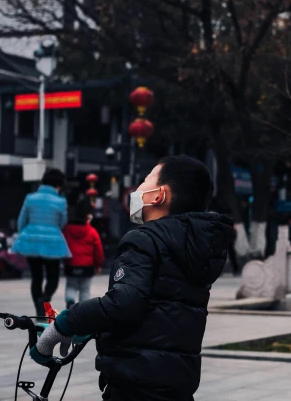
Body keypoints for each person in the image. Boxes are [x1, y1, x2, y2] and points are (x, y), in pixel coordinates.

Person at [30, 155, 233, 401]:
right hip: (175, 383)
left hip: (135, 383)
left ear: (159, 195)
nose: (137, 189)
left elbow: (123, 303)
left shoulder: (145, 239)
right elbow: (157, 308)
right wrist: (92, 327)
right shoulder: (195, 248)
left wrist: (63, 324)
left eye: (146, 181)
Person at [12, 168, 70, 317]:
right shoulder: (61, 201)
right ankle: (45, 299)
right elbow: (62, 223)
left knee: (36, 277)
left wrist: (25, 236)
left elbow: (22, 220)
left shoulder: (30, 198)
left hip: (31, 241)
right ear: (59, 184)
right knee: (53, 277)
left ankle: (38, 309)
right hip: (52, 243)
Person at [63, 197, 105, 308]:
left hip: (71, 264)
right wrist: (98, 265)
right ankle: (83, 309)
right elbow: (98, 250)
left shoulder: (67, 229)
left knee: (71, 286)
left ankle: (70, 302)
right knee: (85, 289)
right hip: (87, 266)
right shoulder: (92, 231)